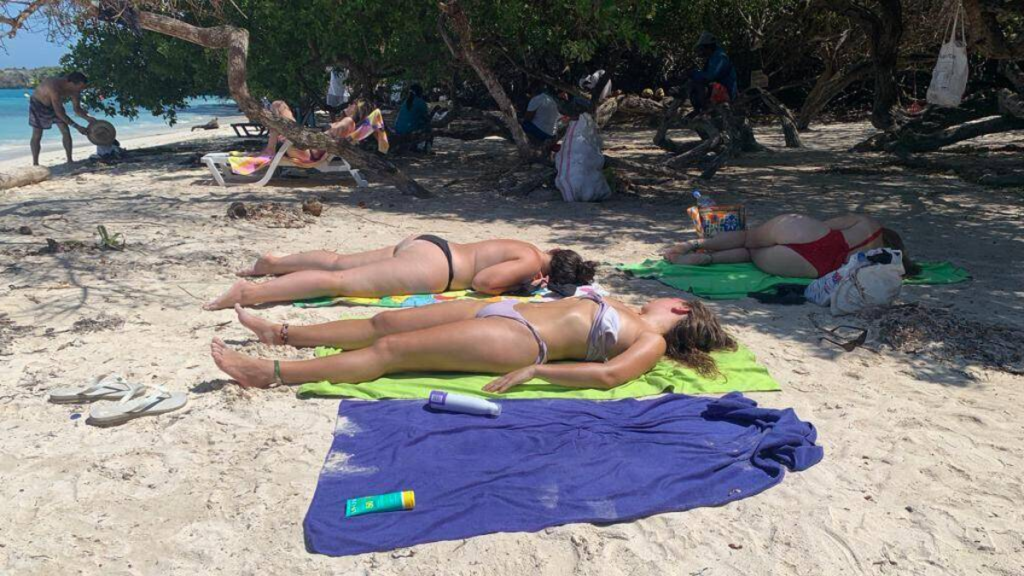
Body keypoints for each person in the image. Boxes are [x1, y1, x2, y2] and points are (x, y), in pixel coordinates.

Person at [210, 292, 736, 390]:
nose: (658, 298)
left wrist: (537, 371)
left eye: (669, 299)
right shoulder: (627, 309)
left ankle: (269, 373)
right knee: (385, 324)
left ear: (681, 310)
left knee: (391, 354)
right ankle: (280, 333)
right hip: (506, 309)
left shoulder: (652, 340)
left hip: (520, 338)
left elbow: (608, 376)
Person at [204, 236, 599, 310]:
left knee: (339, 262)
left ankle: (273, 264)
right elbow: (483, 283)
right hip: (438, 269)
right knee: (341, 283)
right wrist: (522, 287)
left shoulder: (527, 246)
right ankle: (250, 294)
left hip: (430, 244)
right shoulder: (530, 264)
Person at [663, 213, 921, 279]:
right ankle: (709, 259)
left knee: (748, 237)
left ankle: (693, 244)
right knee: (752, 254)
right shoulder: (885, 262)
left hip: (814, 235)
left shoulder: (869, 223)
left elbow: (827, 224)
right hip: (817, 266)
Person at [259, 98, 385, 162]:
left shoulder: (348, 122)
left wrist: (298, 136)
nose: (349, 104)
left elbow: (328, 138)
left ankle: (270, 149)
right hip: (306, 148)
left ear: (358, 110)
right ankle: (271, 148)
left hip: (307, 150)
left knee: (278, 105)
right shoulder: (347, 123)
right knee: (279, 109)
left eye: (353, 104)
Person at [28, 72, 96, 166]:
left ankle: (69, 160)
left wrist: (89, 118)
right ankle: (35, 163)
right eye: (80, 87)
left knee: (65, 131)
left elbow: (77, 109)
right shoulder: (54, 87)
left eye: (83, 88)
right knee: (37, 134)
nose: (81, 90)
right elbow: (59, 113)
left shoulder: (75, 90)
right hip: (39, 104)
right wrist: (77, 126)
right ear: (71, 83)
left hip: (55, 105)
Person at [688, 32, 738, 114]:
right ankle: (700, 109)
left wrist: (694, 73)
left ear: (708, 47)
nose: (702, 52)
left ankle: (702, 109)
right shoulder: (713, 57)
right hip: (721, 89)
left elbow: (710, 76)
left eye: (702, 49)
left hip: (726, 91)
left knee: (697, 84)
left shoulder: (720, 57)